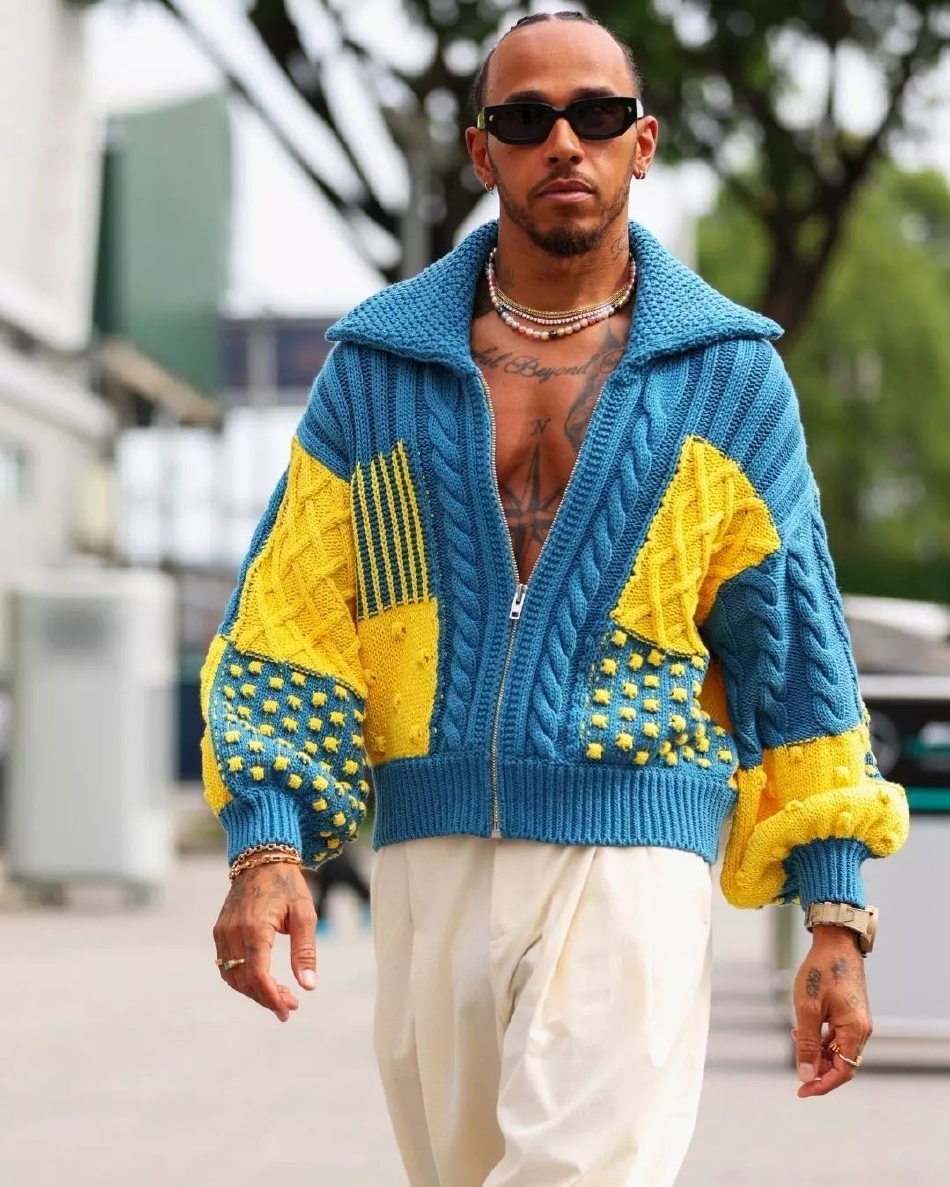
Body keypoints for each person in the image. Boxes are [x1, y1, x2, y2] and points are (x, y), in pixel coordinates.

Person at [203, 12, 909, 1186]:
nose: (562, 143)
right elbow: (295, 620)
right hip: (428, 852)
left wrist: (834, 910)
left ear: (642, 142)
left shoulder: (727, 379)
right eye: (526, 119)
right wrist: (265, 843)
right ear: (482, 151)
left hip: (631, 847)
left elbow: (793, 652)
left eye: (594, 114)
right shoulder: (377, 374)